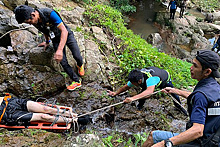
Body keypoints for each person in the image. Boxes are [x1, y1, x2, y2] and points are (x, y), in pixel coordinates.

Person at [142, 50, 220, 147]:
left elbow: (197, 131)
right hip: (214, 139)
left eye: (195, 66)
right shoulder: (215, 87)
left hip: (199, 142)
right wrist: (175, 91)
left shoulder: (201, 95)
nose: (191, 68)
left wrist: (166, 143)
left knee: (154, 137)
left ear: (207, 71)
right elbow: (199, 99)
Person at [14, 5, 85, 91]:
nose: (30, 24)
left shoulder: (50, 13)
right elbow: (45, 31)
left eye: (29, 22)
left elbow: (64, 31)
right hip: (55, 39)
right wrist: (47, 42)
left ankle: (79, 65)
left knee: (77, 55)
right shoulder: (35, 21)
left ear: (33, 15)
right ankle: (76, 80)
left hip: (66, 34)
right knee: (62, 61)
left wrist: (59, 50)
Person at [107, 67, 188, 116]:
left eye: (133, 84)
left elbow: (149, 93)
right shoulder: (136, 77)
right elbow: (125, 87)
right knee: (142, 94)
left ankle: (179, 107)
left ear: (139, 81)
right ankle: (139, 107)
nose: (132, 85)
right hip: (151, 80)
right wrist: (115, 93)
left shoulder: (151, 79)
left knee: (173, 94)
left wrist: (132, 98)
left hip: (164, 79)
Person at [0, 94, 90, 126]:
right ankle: (74, 120)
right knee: (43, 116)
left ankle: (74, 115)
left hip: (10, 102)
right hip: (6, 115)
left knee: (45, 108)